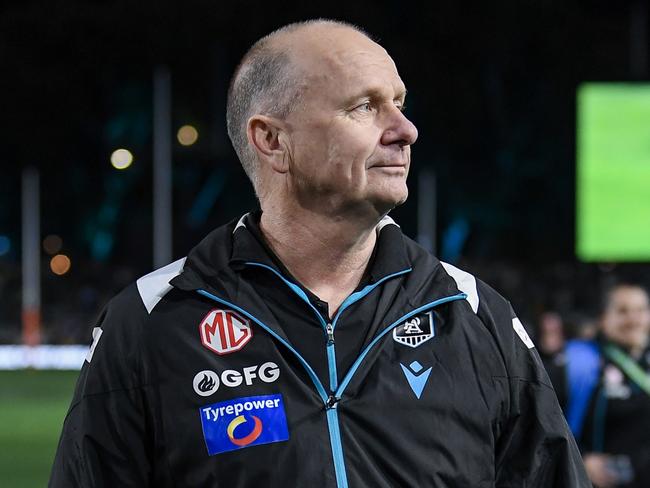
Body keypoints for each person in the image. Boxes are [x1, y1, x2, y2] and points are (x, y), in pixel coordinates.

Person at [49, 19, 589, 487]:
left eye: (398, 104)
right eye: (364, 107)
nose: (405, 130)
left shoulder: (473, 314)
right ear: (272, 141)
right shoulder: (152, 322)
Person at [559, 283, 650, 488]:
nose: (634, 319)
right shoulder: (579, 361)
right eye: (622, 311)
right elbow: (547, 421)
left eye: (641, 310)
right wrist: (580, 458)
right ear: (603, 317)